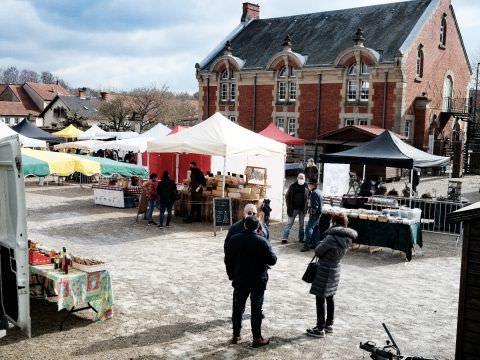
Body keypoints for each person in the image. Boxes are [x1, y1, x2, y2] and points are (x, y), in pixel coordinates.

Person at [225, 216, 277, 347]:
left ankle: (236, 335)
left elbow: (228, 260)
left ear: (244, 225)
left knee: (237, 308)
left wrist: (231, 275)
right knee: (256, 309)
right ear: (258, 227)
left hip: (240, 279)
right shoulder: (263, 241)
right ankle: (257, 338)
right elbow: (273, 260)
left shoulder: (234, 239)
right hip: (258, 280)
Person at [306, 213, 357, 338]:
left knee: (320, 298)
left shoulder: (332, 237)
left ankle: (319, 328)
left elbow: (318, 251)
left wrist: (321, 242)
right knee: (330, 297)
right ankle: (329, 324)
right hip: (335, 269)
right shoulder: (347, 238)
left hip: (324, 269)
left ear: (334, 222)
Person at [282, 173, 309, 244]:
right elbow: (287, 196)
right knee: (289, 224)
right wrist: (289, 206)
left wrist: (307, 208)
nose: (301, 179)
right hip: (293, 209)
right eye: (300, 178)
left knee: (301, 225)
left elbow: (308, 197)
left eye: (302, 178)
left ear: (304, 179)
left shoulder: (306, 186)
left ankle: (301, 238)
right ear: (297, 178)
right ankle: (284, 238)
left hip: (302, 209)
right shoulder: (292, 186)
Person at [301, 178, 323, 252]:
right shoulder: (319, 191)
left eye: (309, 184)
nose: (308, 185)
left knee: (308, 229)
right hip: (318, 213)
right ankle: (317, 245)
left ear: (312, 185)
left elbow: (315, 206)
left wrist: (310, 213)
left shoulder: (314, 193)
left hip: (315, 214)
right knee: (316, 229)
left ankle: (306, 245)